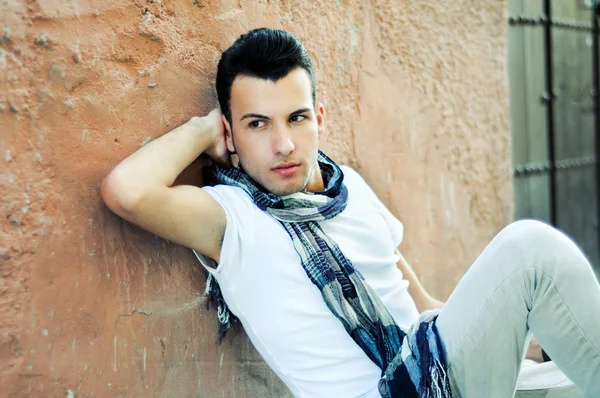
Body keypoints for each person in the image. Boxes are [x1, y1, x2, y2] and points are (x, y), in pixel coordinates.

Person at [100, 28, 600, 397]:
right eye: (257, 124)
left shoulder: (352, 189)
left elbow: (424, 305)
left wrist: (528, 348)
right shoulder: (232, 220)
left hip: (442, 372)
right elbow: (126, 191)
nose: (282, 144)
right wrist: (203, 130)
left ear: (318, 119)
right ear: (231, 135)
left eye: (296, 118)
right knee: (530, 250)